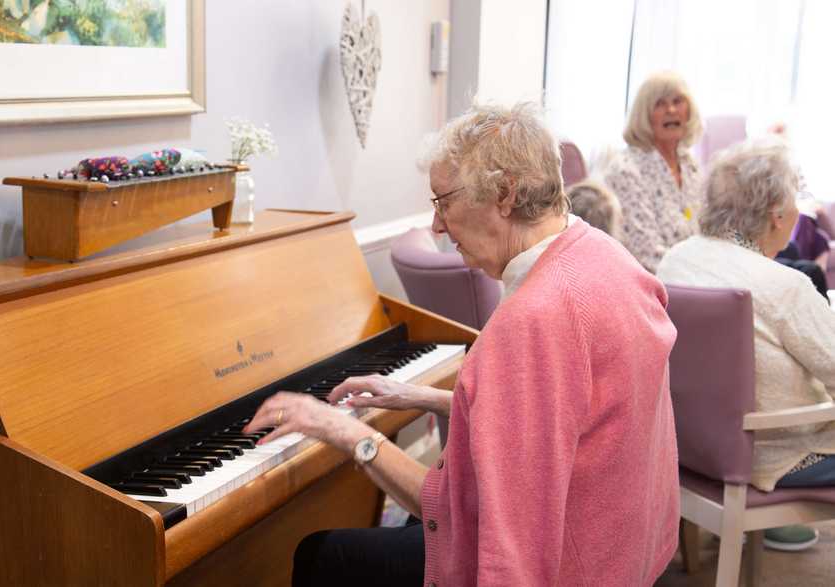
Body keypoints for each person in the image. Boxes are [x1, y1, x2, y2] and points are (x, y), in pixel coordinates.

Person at [244, 103, 681, 586]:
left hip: (569, 566)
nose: (436, 226)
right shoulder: (604, 255)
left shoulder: (533, 320)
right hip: (623, 546)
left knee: (323, 554)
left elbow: (456, 514)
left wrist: (346, 433)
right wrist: (423, 396)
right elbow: (555, 416)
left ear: (506, 193)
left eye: (443, 201)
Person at [657, 138, 835, 551]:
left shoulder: (676, 259)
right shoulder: (784, 286)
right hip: (774, 454)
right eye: (796, 199)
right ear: (776, 215)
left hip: (693, 446)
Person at [604, 71, 703, 272]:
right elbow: (645, 254)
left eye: (678, 101)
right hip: (655, 287)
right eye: (660, 104)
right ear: (644, 115)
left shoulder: (690, 165)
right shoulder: (626, 170)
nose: (671, 110)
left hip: (695, 280)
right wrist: (704, 277)